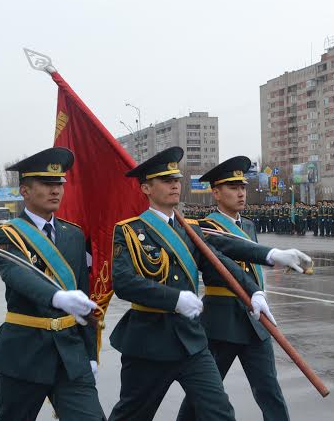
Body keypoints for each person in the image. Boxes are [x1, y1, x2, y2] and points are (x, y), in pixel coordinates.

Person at [108, 147, 279, 421]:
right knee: (133, 414)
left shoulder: (189, 229)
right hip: (149, 341)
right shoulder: (130, 231)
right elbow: (125, 283)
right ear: (146, 188)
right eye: (166, 180)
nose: (175, 184)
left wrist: (253, 291)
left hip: (191, 341)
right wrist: (173, 299)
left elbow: (219, 262)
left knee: (219, 412)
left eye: (176, 179)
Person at [177, 156, 311, 421]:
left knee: (269, 390)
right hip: (222, 322)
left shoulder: (247, 225)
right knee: (204, 395)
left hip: (255, 319)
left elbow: (252, 261)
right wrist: (273, 255)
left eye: (243, 187)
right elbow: (230, 251)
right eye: (232, 187)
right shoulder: (204, 228)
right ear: (216, 193)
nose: (240, 193)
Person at [0, 147, 105, 420]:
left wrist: (90, 353)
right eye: (47, 184)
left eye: (59, 184)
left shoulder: (72, 235)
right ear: (25, 191)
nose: (56, 191)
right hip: (25, 352)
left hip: (70, 354)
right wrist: (58, 297)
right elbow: (17, 275)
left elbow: (83, 299)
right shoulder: (5, 235)